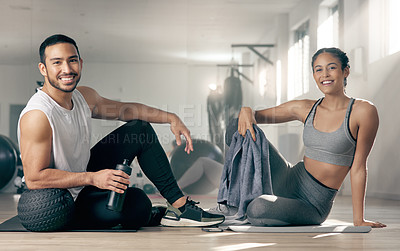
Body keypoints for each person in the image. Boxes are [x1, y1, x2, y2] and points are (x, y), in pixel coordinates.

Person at [17, 34, 224, 230]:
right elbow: (35, 178)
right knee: (138, 204)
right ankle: (139, 211)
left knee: (139, 128)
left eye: (72, 60)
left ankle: (181, 208)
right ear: (43, 69)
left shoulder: (83, 96)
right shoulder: (38, 115)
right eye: (57, 62)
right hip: (61, 200)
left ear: (80, 63)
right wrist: (93, 178)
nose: (66, 69)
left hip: (83, 177)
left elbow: (127, 109)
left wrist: (171, 118)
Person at [210, 47, 386, 228]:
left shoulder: (363, 111)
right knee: (235, 126)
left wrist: (359, 220)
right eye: (318, 69)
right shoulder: (305, 108)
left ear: (345, 71)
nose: (325, 74)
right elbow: (256, 116)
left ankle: (247, 203)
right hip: (288, 178)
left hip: (312, 203)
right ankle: (231, 204)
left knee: (257, 209)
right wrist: (247, 110)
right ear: (314, 74)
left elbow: (358, 168)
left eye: (331, 67)